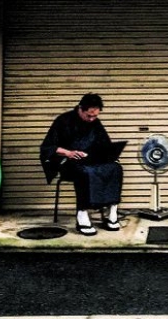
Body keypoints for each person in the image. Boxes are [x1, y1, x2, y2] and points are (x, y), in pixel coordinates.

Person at [40, 93, 124, 235]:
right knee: (84, 172)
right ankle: (82, 214)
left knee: (115, 168)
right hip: (68, 162)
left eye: (95, 116)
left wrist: (110, 155)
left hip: (92, 160)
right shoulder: (63, 121)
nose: (92, 119)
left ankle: (112, 213)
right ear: (81, 109)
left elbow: (105, 145)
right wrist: (69, 153)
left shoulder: (95, 123)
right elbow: (47, 147)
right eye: (89, 116)